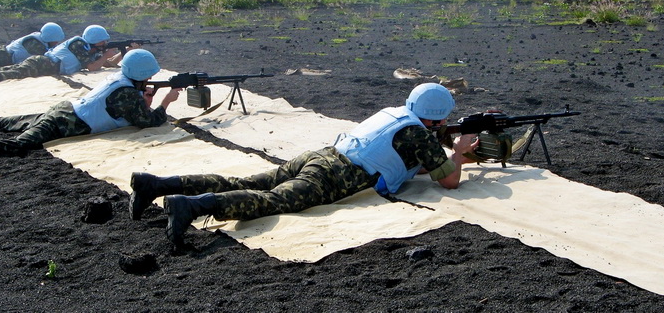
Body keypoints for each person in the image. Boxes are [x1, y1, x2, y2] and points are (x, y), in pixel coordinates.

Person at [128, 83, 480, 248]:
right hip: (339, 175)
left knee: (247, 179)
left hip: (320, 155)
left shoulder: (395, 114)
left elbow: (409, 163)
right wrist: (460, 154)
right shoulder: (419, 134)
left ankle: (157, 184)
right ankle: (192, 205)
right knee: (272, 201)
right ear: (437, 119)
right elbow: (448, 182)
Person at [0, 49, 182, 174]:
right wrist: (166, 102)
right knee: (19, 144)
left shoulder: (121, 79)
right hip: (67, 123)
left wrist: (146, 97)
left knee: (33, 120)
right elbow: (148, 122)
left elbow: (134, 108)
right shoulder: (127, 92)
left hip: (66, 110)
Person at [0, 25, 121, 88]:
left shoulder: (88, 49)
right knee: (7, 73)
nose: (105, 45)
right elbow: (93, 67)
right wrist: (105, 54)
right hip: (42, 63)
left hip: (44, 64)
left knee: (5, 70)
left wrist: (122, 52)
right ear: (95, 41)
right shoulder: (78, 45)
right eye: (103, 42)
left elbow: (108, 64)